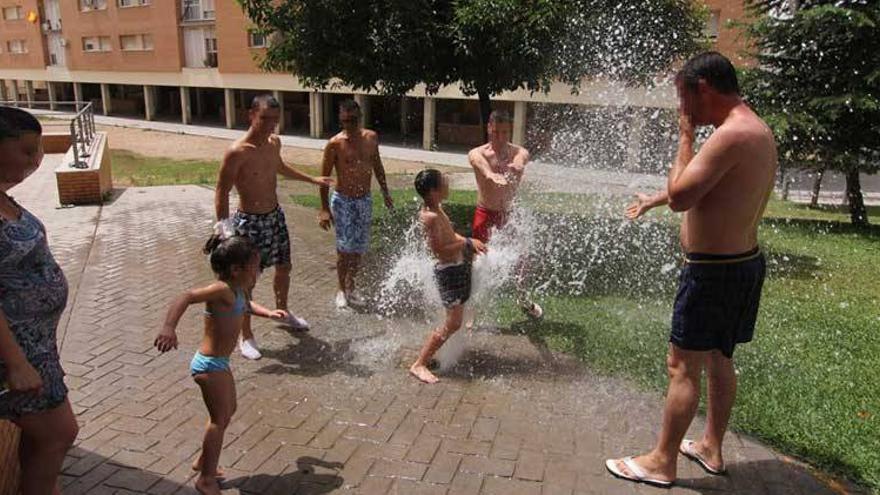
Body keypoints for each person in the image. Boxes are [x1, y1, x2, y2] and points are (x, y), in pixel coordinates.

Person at [607, 51, 777, 488]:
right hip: (742, 264)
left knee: (682, 366)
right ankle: (711, 448)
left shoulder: (728, 135)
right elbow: (711, 186)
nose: (684, 111)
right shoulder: (754, 129)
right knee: (721, 359)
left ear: (704, 88)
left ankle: (662, 461)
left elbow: (683, 195)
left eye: (685, 100)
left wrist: (684, 137)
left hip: (713, 273)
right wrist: (653, 199)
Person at [154, 235, 289, 495]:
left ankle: (205, 461)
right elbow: (186, 295)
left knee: (228, 411)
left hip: (219, 363)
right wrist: (168, 327)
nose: (258, 273)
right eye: (255, 267)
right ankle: (206, 479)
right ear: (236, 270)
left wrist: (269, 313)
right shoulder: (222, 289)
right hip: (209, 365)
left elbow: (247, 306)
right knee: (219, 419)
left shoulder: (238, 291)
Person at [215, 94, 333, 360]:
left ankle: (283, 312)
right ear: (251, 116)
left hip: (275, 217)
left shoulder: (274, 142)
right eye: (265, 119)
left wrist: (312, 179)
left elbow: (280, 167)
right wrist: (224, 231)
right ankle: (245, 336)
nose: (270, 125)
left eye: (275, 120)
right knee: (246, 281)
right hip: (249, 222)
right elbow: (221, 192)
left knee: (284, 267)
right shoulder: (237, 152)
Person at [0, 106, 79, 495]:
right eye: (27, 151)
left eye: (39, 151)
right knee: (58, 433)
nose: (37, 161)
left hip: (36, 347)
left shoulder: (4, 199)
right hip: (15, 353)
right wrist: (15, 362)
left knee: (47, 441)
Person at [409, 169, 487, 384]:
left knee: (457, 318)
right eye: (444, 182)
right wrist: (467, 242)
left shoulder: (437, 209)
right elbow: (440, 250)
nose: (448, 183)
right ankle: (419, 364)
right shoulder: (430, 217)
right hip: (448, 273)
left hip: (457, 267)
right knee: (453, 323)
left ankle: (431, 356)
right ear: (434, 191)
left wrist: (469, 242)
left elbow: (451, 237)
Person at [318, 99, 393, 309]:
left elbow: (377, 165)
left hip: (364, 200)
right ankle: (341, 289)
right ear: (340, 120)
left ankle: (351, 286)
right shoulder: (335, 144)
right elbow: (324, 178)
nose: (349, 125)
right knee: (344, 249)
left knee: (359, 248)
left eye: (353, 120)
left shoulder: (371, 138)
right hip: (343, 201)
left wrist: (385, 192)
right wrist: (324, 209)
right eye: (345, 121)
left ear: (359, 118)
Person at [468, 110, 542, 319]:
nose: (500, 137)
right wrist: (490, 173)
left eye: (505, 132)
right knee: (478, 262)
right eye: (496, 132)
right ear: (489, 128)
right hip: (485, 213)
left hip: (509, 214)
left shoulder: (518, 152)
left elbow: (522, 157)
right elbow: (478, 162)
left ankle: (523, 299)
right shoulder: (478, 153)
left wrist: (518, 165)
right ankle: (473, 311)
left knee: (523, 259)